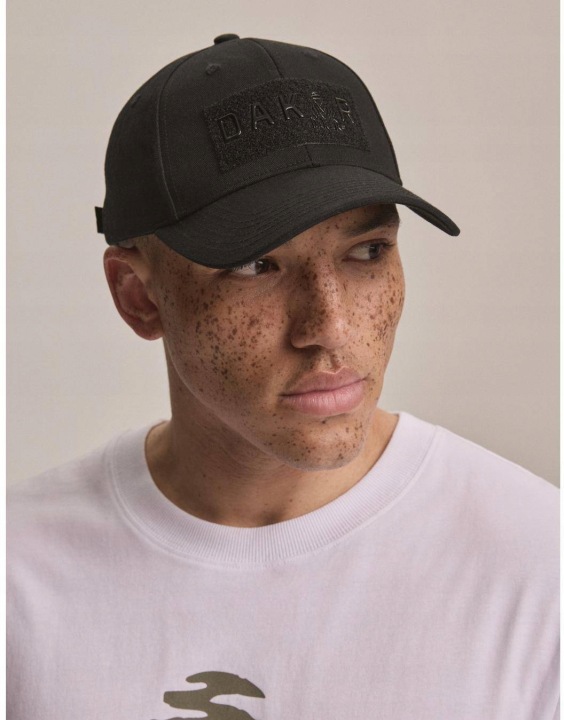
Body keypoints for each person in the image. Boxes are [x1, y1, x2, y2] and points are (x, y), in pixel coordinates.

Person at [7, 34, 558, 720]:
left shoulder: (538, 567)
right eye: (255, 265)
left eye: (367, 252)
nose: (330, 325)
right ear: (138, 297)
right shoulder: (19, 577)